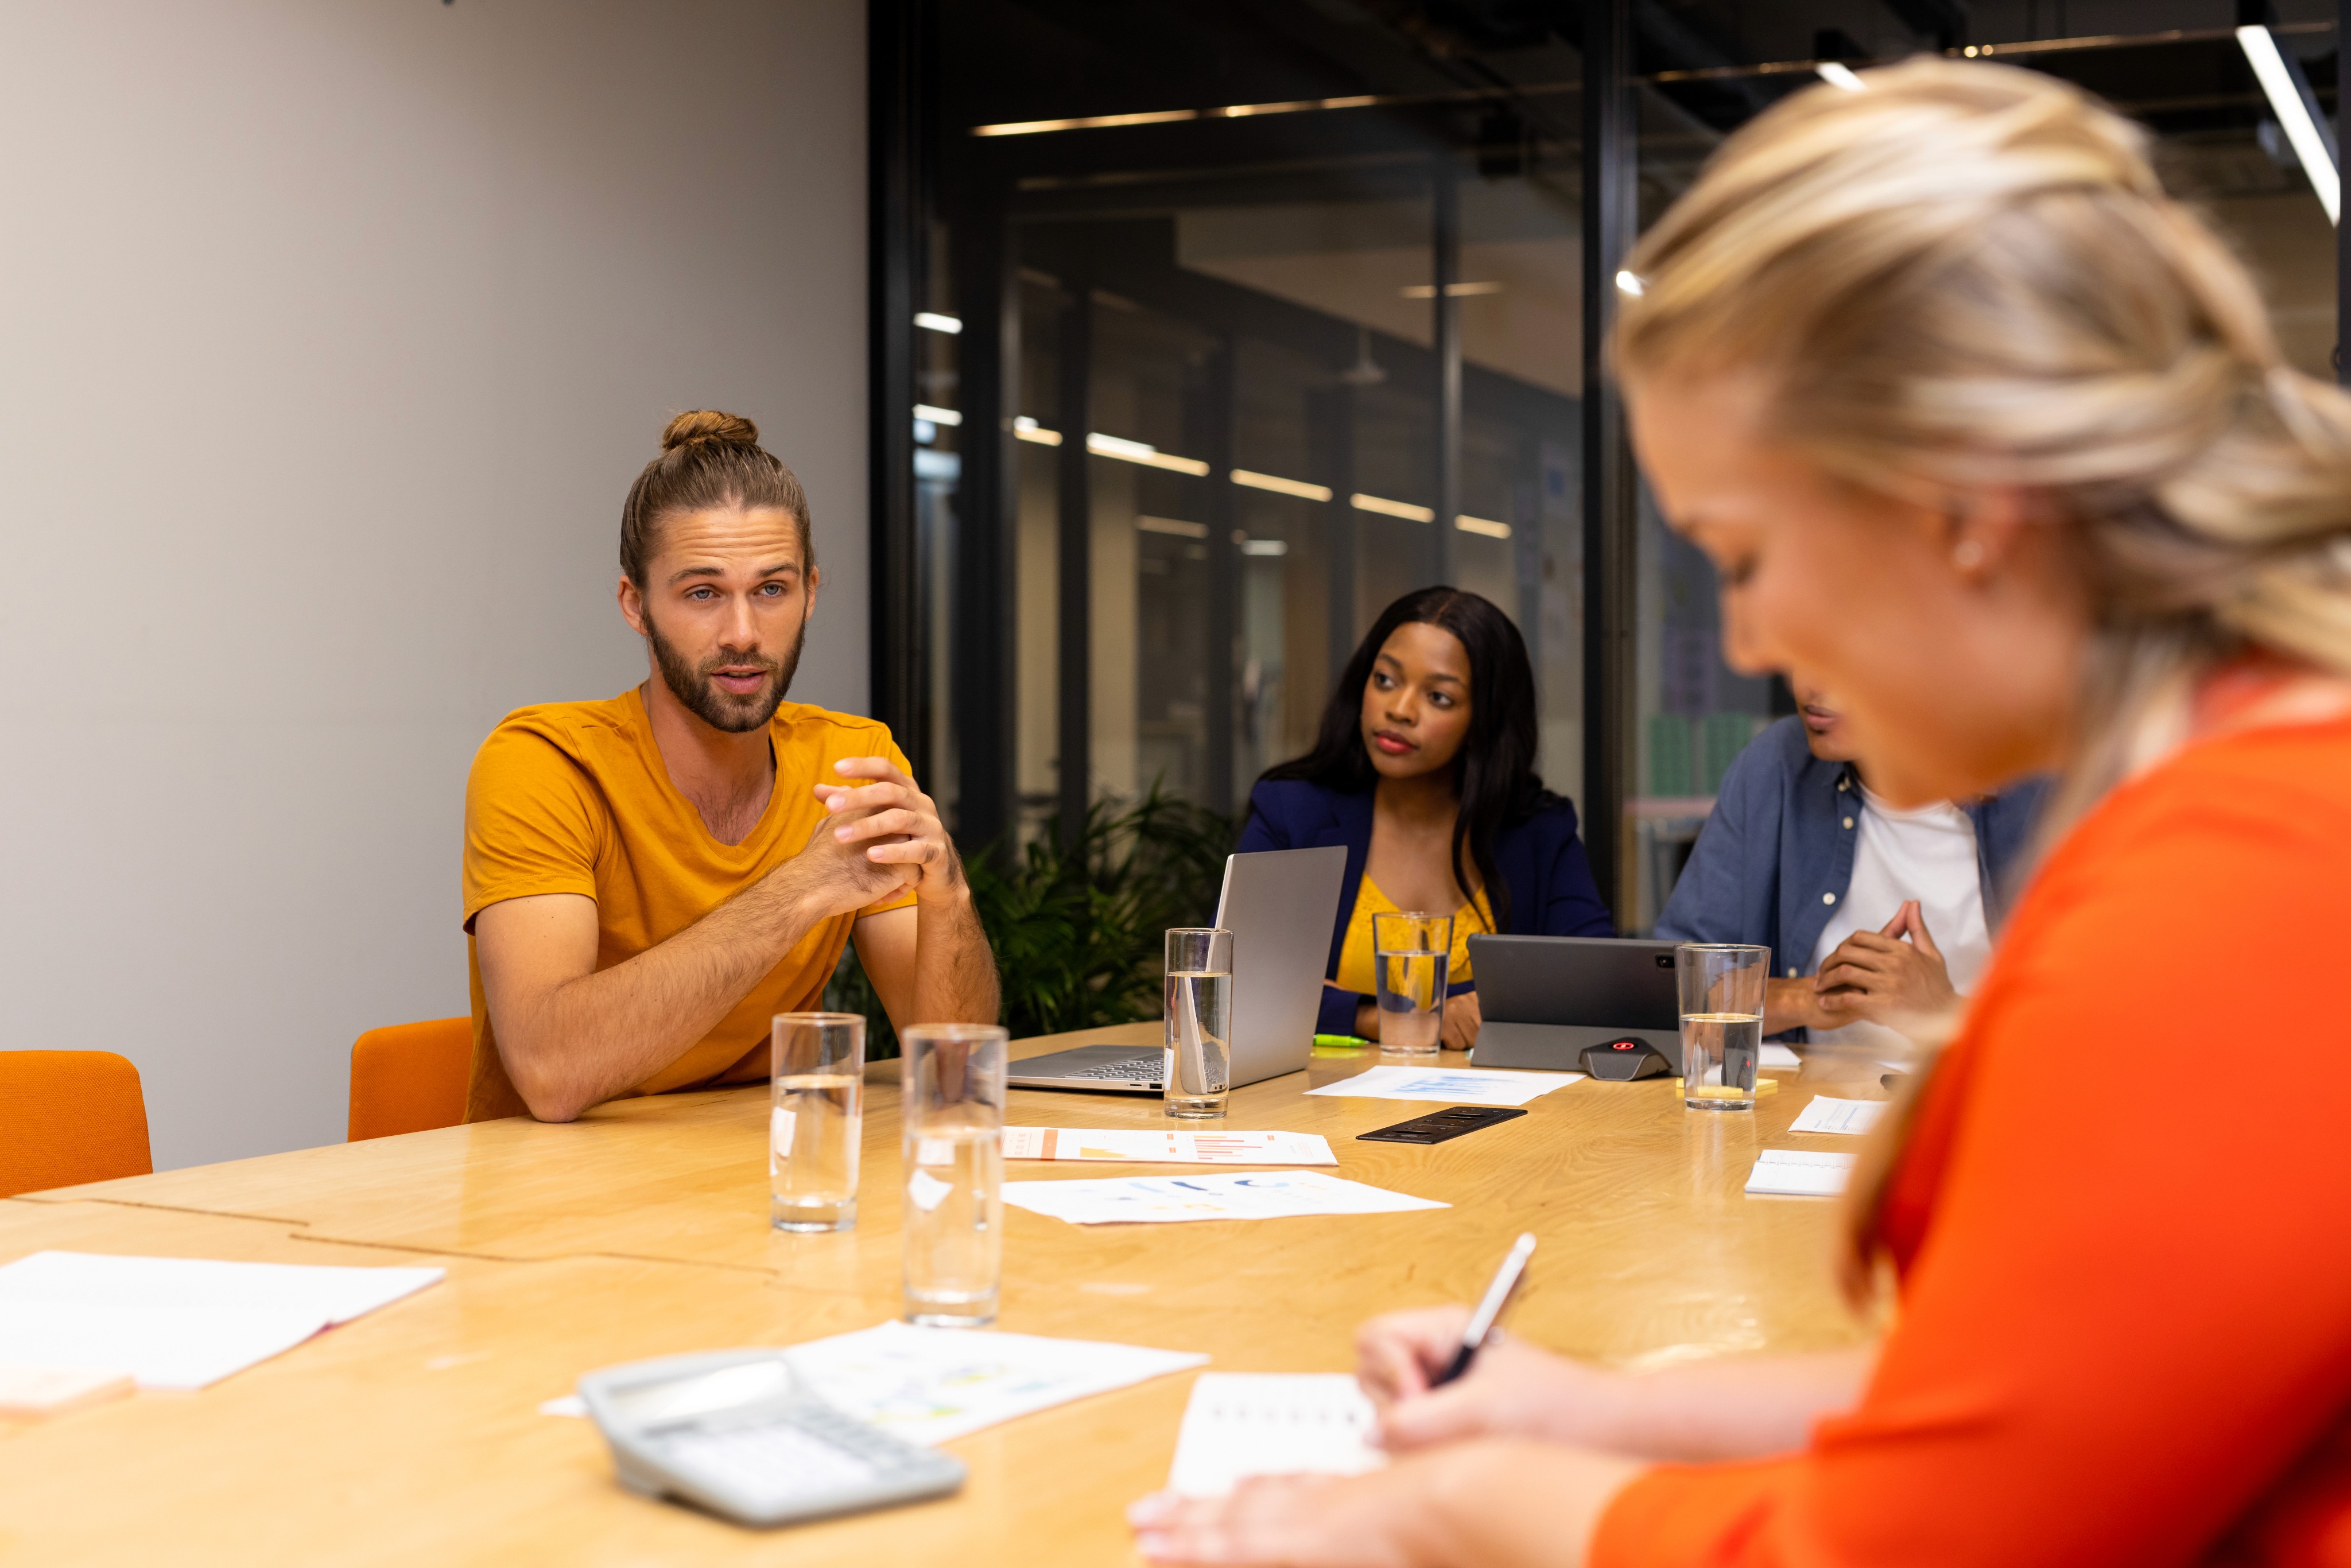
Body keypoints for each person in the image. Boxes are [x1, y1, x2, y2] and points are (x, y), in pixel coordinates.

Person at [1130, 60, 2351, 1566]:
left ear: (1960, 506)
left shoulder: (2245, 880)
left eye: (1752, 551)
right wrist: (1583, 1414)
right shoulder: (2252, 791)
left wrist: (1446, 1507)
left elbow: (1916, 1538)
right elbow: (2044, 1401)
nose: (1756, 642)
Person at [462, 411, 997, 1123]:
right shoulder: (544, 762)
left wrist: (948, 894)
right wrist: (802, 890)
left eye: (771, 589)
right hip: (551, 1202)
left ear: (811, 591)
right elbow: (551, 1070)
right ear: (636, 604)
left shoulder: (850, 762)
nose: (743, 634)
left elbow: (953, 1067)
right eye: (703, 593)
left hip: (751, 1176)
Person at [1239, 587, 1613, 1050]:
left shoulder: (1537, 829)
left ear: (1486, 720)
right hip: (1317, 1105)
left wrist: (1334, 1000)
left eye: (1438, 697)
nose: (1399, 710)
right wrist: (1387, 1018)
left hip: (1499, 1109)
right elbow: (1238, 983)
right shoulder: (1293, 813)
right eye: (1385, 680)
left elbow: (1592, 982)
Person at [1654, 681, 2047, 1045]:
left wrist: (1944, 1013)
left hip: (1979, 1112)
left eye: (1838, 657)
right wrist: (1811, 997)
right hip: (1798, 1114)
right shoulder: (1776, 764)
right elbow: (1670, 998)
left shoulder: (2044, 789)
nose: (1810, 684)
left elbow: (2091, 1044)